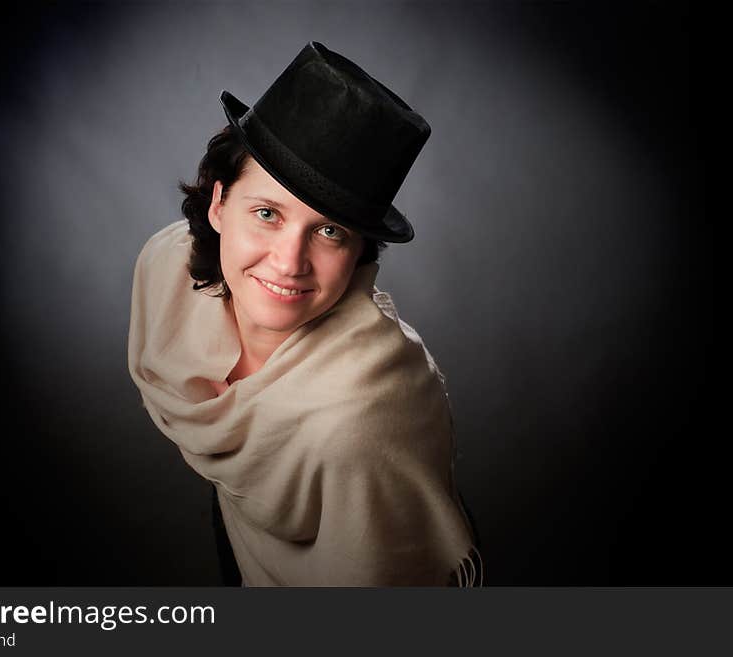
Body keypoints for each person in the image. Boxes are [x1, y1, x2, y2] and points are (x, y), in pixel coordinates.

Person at [128, 41, 484, 586]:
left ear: (359, 253)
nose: (289, 262)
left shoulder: (363, 418)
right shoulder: (168, 272)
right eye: (267, 213)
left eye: (329, 230)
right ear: (219, 204)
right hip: (241, 534)